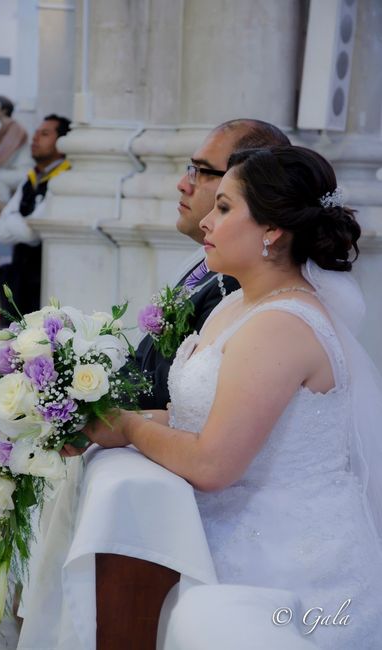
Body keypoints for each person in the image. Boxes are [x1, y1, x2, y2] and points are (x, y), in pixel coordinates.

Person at [73, 145, 382, 649]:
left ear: (272, 231)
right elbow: (198, 416)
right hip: (224, 528)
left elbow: (214, 464)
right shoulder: (239, 303)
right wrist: (110, 417)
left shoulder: (281, 326)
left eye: (223, 207)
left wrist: (129, 429)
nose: (206, 223)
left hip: (286, 565)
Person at [136, 119, 290, 409]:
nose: (183, 185)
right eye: (188, 169)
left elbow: (172, 391)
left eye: (202, 172)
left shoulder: (239, 284)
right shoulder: (208, 262)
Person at [0, 114, 71, 317]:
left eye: (44, 134)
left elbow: (33, 235)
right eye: (35, 134)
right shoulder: (30, 179)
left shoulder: (65, 179)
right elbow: (1, 231)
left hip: (46, 281)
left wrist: (15, 221)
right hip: (21, 280)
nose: (35, 139)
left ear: (62, 142)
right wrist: (24, 224)